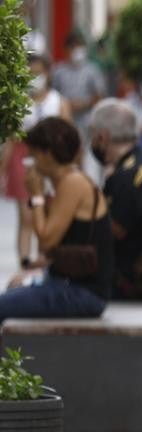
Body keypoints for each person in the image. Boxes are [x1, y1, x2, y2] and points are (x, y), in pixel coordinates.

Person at [0, 117, 112, 323]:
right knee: (12, 290)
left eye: (33, 154)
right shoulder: (66, 182)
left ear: (47, 154)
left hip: (82, 293)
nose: (30, 160)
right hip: (67, 283)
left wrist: (36, 196)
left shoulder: (73, 183)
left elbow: (46, 241)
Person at [88, 100, 142, 301]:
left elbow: (112, 230)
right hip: (139, 276)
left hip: (122, 282)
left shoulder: (126, 176)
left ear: (103, 137)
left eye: (92, 135)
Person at [2, 55, 72, 272]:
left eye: (38, 73)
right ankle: (24, 263)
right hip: (23, 158)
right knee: (26, 215)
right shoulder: (19, 102)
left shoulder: (59, 102)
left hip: (52, 159)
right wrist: (3, 170)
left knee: (49, 212)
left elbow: (68, 135)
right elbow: (10, 138)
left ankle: (44, 261)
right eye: (30, 74)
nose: (34, 78)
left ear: (48, 73)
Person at [52, 31, 107, 138]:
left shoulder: (92, 70)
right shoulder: (58, 71)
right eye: (73, 47)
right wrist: (67, 105)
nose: (77, 50)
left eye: (80, 46)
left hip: (87, 122)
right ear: (66, 50)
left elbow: (100, 95)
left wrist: (85, 103)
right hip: (65, 120)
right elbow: (53, 95)